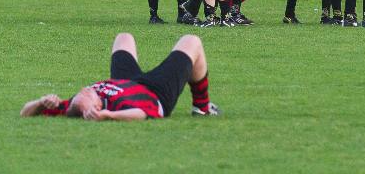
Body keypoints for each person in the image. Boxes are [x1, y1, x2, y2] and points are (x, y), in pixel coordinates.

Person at [20, 32, 220, 120]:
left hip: (125, 81)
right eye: (87, 94)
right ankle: (202, 107)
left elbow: (25, 113)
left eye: (82, 92)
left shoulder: (72, 106)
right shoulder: (116, 108)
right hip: (156, 91)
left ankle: (202, 107)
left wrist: (40, 102)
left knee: (124, 37)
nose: (85, 89)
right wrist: (109, 116)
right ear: (96, 107)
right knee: (192, 41)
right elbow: (141, 114)